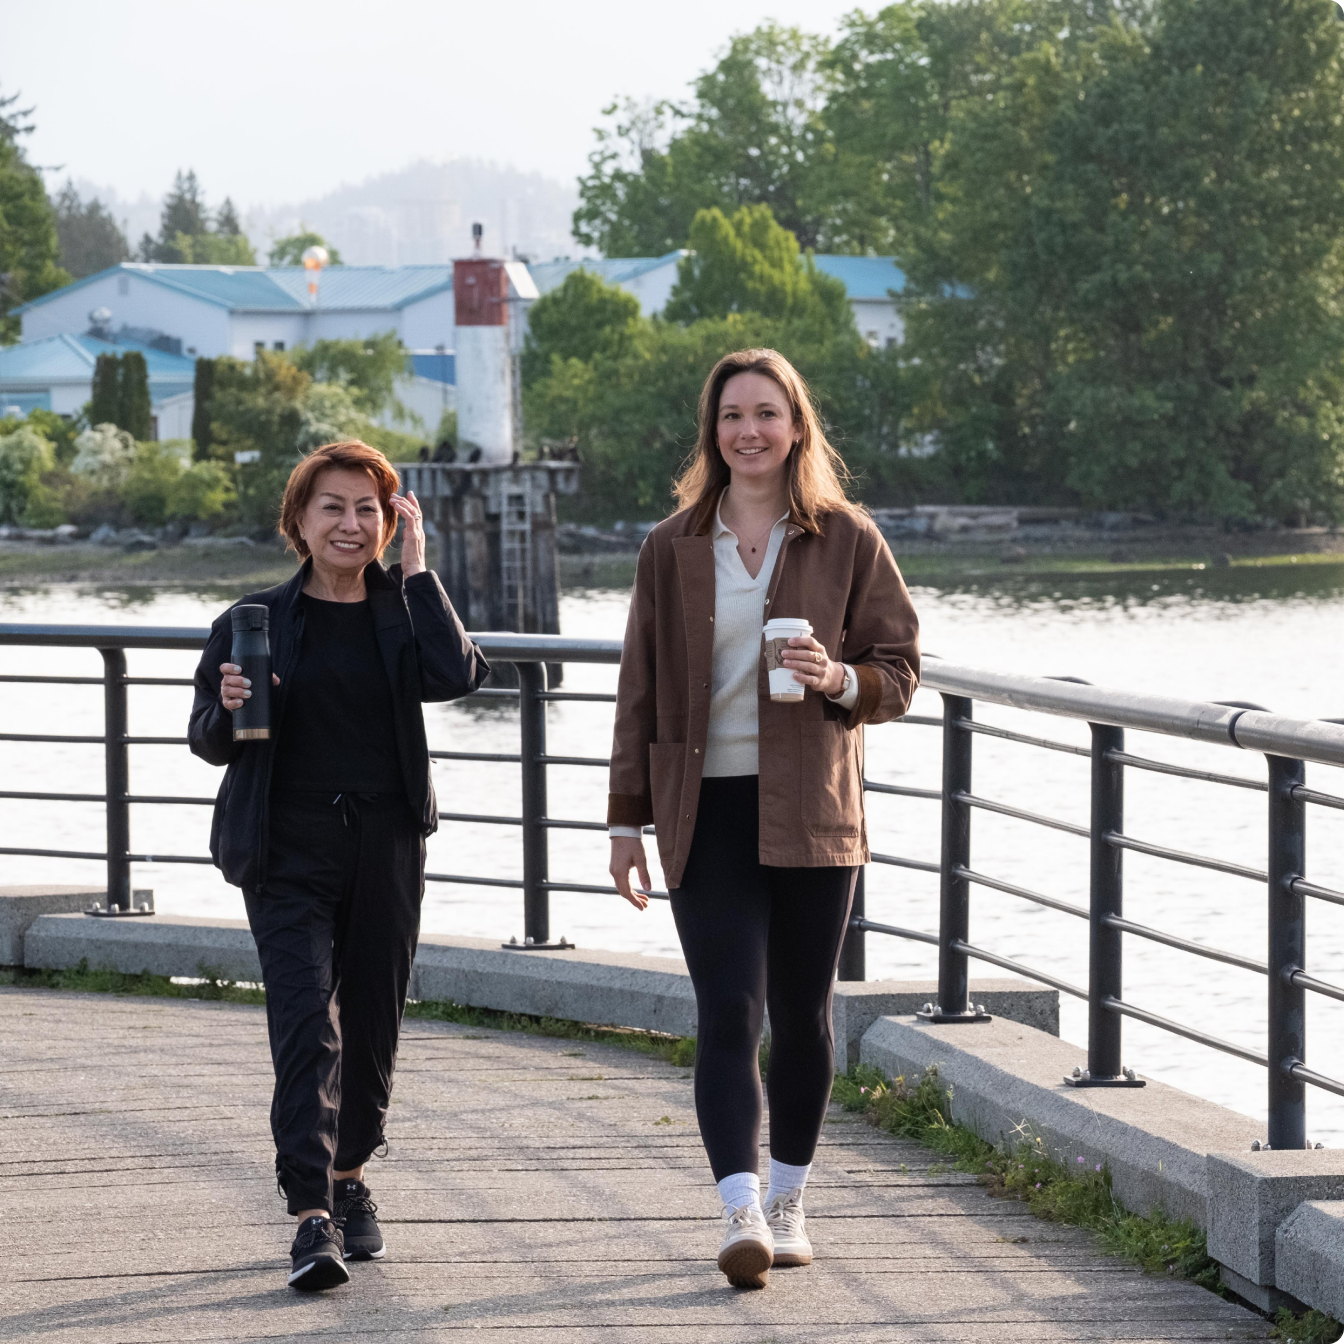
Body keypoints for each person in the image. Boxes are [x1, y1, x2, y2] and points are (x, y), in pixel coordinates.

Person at [607, 349, 919, 1290]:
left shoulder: (846, 537)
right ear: (713, 431)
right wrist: (626, 822)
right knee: (728, 1010)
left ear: (796, 427)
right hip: (702, 809)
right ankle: (738, 1205)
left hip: (815, 810)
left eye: (767, 414)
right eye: (732, 414)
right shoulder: (670, 547)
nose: (749, 430)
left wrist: (839, 680)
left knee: (805, 1016)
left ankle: (789, 1197)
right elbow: (639, 689)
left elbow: (900, 670)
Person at [188, 439, 488, 1292]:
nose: (350, 524)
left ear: (389, 521)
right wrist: (227, 706)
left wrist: (421, 571)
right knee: (305, 1026)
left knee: (373, 1022)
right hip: (286, 849)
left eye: (368, 508)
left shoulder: (402, 607)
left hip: (386, 842)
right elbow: (207, 738)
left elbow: (456, 674)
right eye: (333, 507)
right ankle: (310, 1214)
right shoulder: (255, 620)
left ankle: (352, 1175)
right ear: (300, 521)